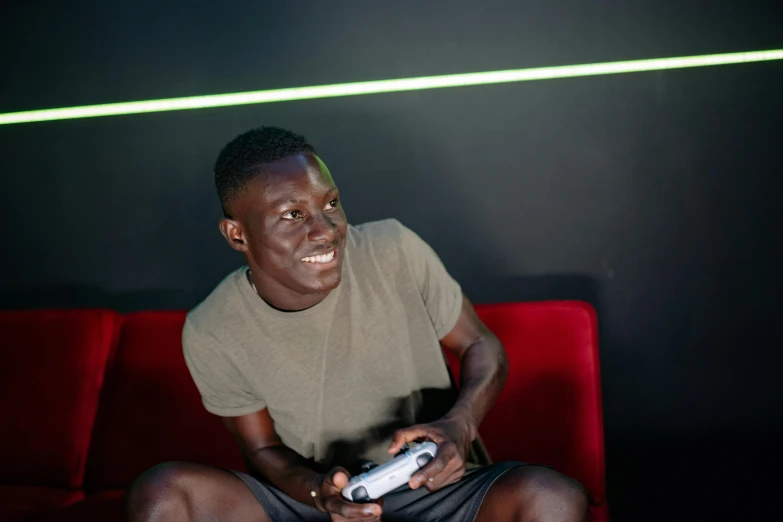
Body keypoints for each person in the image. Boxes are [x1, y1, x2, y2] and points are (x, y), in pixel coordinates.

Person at [126, 126, 588, 522]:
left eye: (331, 203)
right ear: (238, 235)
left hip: (433, 488)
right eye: (292, 215)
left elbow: (480, 346)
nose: (326, 229)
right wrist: (320, 492)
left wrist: (460, 425)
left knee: (552, 497)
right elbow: (262, 451)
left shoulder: (394, 249)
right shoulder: (211, 328)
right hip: (317, 502)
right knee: (164, 493)